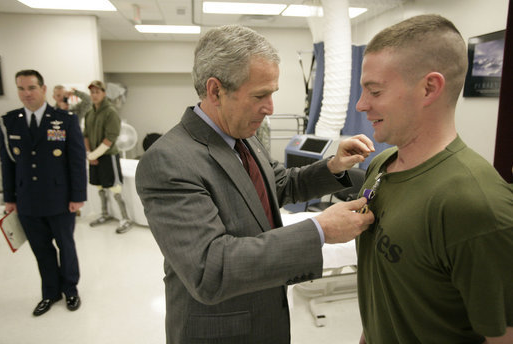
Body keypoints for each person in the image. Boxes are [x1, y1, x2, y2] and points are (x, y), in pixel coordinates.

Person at [135, 24, 375, 344]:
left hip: (265, 316)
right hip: (221, 331)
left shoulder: (243, 135)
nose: (270, 108)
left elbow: (280, 184)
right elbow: (211, 268)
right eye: (260, 95)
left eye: (272, 93)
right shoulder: (169, 161)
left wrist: (333, 166)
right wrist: (319, 230)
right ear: (215, 90)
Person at [355, 14, 513, 343]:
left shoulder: (475, 204)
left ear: (429, 88)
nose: (361, 105)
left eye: (375, 91)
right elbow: (384, 295)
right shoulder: (381, 165)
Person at [0, 69, 87, 316]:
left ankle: (70, 289)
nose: (26, 94)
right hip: (27, 201)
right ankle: (50, 293)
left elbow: (76, 160)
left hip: (60, 199)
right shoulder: (9, 122)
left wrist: (77, 196)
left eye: (31, 88)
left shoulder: (64, 119)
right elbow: (7, 163)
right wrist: (10, 199)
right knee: (41, 249)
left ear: (43, 89)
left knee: (65, 246)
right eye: (21, 88)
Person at [83, 80, 133, 234]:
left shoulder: (110, 112)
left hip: (108, 156)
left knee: (115, 188)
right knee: (100, 187)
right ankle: (105, 214)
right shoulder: (89, 113)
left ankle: (125, 219)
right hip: (93, 157)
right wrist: (89, 155)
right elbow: (85, 135)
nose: (94, 95)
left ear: (103, 93)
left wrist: (93, 155)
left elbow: (110, 138)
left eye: (97, 92)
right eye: (92, 92)